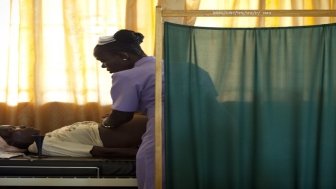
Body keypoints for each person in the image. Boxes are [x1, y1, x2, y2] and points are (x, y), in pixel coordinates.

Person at [93, 29, 163, 189]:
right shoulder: (176, 66)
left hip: (163, 136)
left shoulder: (127, 76)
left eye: (103, 60)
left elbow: (121, 117)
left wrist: (106, 123)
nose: (104, 66)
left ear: (124, 56)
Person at [0, 114, 147, 157]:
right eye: (13, 130)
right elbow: (98, 151)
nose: (22, 126)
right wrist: (146, 153)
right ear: (11, 146)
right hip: (143, 133)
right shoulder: (44, 145)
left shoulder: (47, 139)